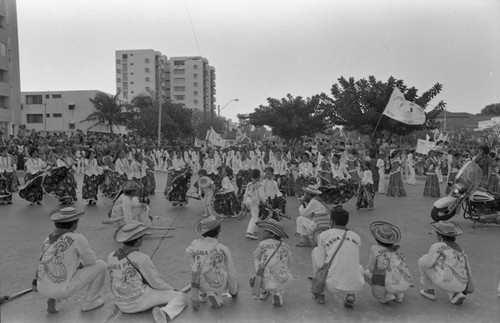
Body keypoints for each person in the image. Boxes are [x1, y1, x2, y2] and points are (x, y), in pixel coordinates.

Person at [108, 221, 188, 322]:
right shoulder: (142, 258)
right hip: (139, 301)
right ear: (138, 241)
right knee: (181, 296)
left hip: (121, 303)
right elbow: (156, 283)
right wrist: (172, 289)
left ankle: (156, 307)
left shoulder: (110, 256)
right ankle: (166, 312)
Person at [33, 207, 106, 313]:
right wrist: (80, 265)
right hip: (61, 290)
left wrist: (34, 282)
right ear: (74, 224)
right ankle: (91, 301)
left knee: (58, 267)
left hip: (41, 287)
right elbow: (91, 261)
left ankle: (54, 299)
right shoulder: (77, 238)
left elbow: (41, 262)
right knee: (101, 265)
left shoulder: (47, 240)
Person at [311, 206, 364, 307]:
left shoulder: (324, 235)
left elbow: (320, 263)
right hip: (356, 284)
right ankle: (350, 296)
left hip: (333, 285)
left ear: (332, 221)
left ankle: (320, 294)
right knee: (357, 265)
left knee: (315, 252)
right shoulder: (356, 236)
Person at [186, 215, 238, 309]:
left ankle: (203, 296)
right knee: (222, 275)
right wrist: (233, 292)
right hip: (218, 284)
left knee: (200, 271)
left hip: (198, 283)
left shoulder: (195, 244)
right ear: (218, 232)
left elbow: (188, 252)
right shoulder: (223, 249)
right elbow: (231, 272)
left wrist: (195, 266)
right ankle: (217, 296)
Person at [418, 221, 471, 305]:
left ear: (440, 236)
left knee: (422, 260)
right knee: (450, 268)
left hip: (445, 282)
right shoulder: (461, 250)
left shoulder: (437, 246)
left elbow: (428, 264)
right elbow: (467, 268)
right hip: (462, 284)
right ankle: (456, 294)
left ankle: (430, 291)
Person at [364, 221, 412, 304]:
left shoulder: (375, 249)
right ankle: (399, 295)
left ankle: (386, 296)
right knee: (395, 273)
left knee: (366, 273)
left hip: (389, 285)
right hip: (406, 284)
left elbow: (371, 268)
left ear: (377, 238)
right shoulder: (398, 250)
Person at [252, 219, 293, 306]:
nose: (263, 233)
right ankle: (278, 293)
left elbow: (256, 255)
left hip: (266, 280)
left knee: (258, 261)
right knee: (285, 271)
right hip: (283, 280)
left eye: (265, 231)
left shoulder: (263, 244)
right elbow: (289, 264)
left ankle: (263, 293)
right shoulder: (286, 246)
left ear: (272, 234)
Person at [239, 169, 265, 240]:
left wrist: (244, 203)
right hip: (254, 202)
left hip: (248, 202)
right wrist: (265, 202)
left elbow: (245, 194)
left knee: (255, 215)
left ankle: (254, 229)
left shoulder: (249, 184)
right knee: (254, 217)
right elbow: (261, 195)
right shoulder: (260, 184)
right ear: (259, 177)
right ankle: (249, 232)